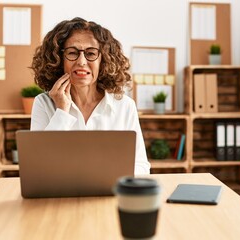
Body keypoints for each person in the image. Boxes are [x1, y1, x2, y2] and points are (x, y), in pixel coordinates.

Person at [30, 17, 150, 175]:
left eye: (91, 53)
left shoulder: (125, 106)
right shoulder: (43, 103)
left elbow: (141, 166)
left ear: (104, 60)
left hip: (110, 193)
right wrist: (61, 112)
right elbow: (38, 166)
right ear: (58, 60)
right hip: (61, 195)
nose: (81, 61)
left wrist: (112, 176)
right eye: (72, 53)